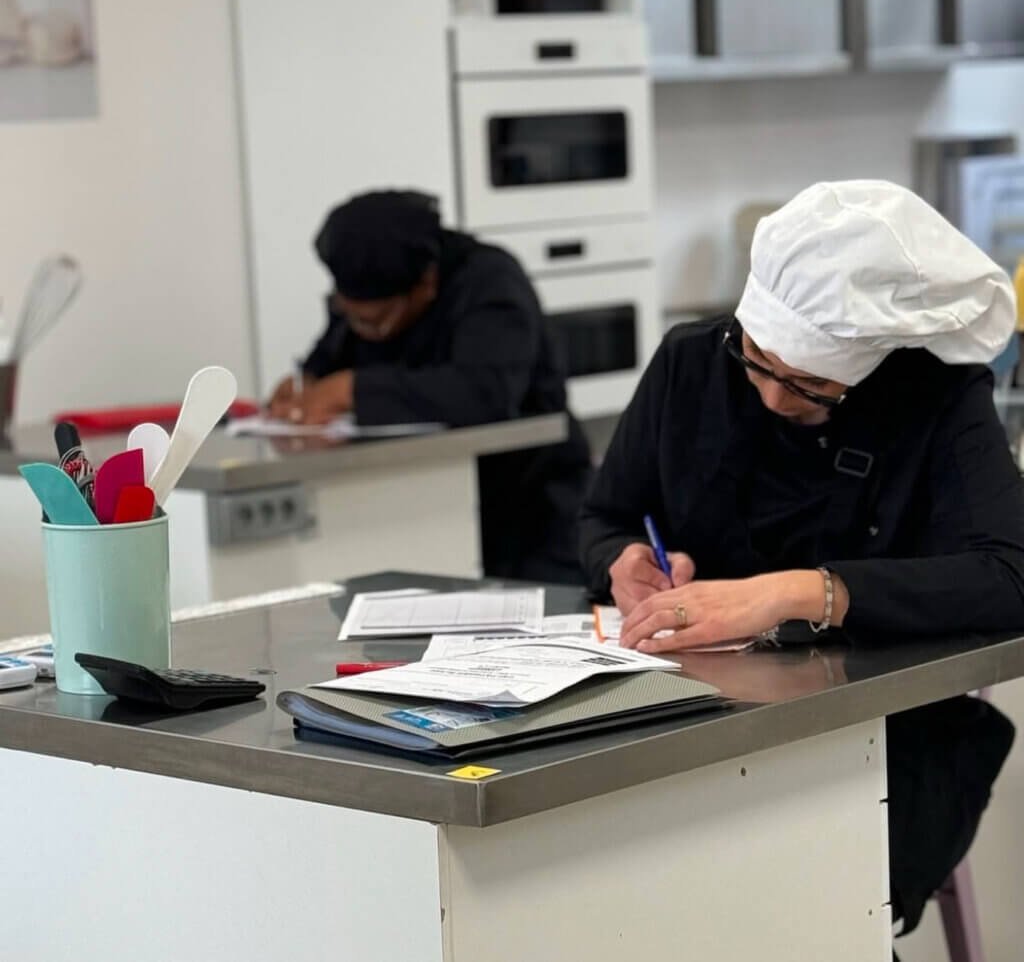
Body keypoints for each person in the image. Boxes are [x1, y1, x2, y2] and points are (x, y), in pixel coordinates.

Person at [579, 179, 1022, 938]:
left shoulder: (937, 399)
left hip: (882, 732)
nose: (774, 398)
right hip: (683, 715)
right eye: (755, 359)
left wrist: (805, 593)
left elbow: (1011, 573)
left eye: (813, 385)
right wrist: (621, 560)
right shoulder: (691, 363)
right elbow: (605, 514)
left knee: (781, 914)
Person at [269, 189, 592, 584]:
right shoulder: (369, 291)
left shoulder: (491, 281)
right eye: (349, 315)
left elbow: (485, 392)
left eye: (375, 323)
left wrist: (350, 390)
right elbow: (333, 355)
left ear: (427, 284)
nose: (364, 332)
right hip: (427, 504)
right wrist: (307, 383)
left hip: (532, 509)